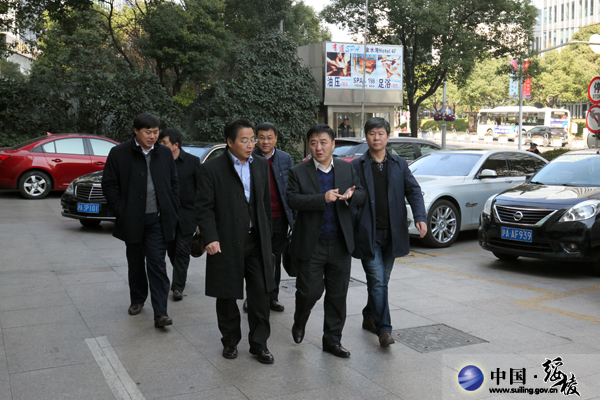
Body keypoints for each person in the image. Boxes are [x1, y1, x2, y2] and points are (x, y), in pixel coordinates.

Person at [196, 118, 275, 364]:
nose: (251, 145)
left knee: (261, 294)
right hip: (226, 241)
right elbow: (204, 207)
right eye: (245, 140)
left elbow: (264, 204)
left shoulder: (260, 164)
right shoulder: (212, 168)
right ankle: (230, 341)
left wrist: (267, 236)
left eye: (252, 140)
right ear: (229, 142)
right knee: (227, 294)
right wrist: (210, 237)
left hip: (255, 240)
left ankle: (259, 344)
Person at [287, 124, 367, 358]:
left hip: (340, 242)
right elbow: (292, 199)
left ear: (333, 144)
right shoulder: (298, 171)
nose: (318, 147)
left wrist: (351, 196)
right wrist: (321, 198)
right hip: (311, 243)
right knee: (309, 291)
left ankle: (332, 340)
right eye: (313, 143)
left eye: (323, 142)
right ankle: (300, 320)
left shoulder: (346, 168)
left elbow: (361, 193)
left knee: (337, 295)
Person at [351, 117, 427, 347]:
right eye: (372, 133)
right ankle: (384, 330)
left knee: (381, 281)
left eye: (381, 133)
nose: (376, 138)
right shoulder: (356, 166)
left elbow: (414, 191)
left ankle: (369, 315)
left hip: (393, 233)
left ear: (387, 136)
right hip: (368, 233)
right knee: (377, 282)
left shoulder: (399, 163)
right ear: (366, 136)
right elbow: (350, 197)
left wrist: (420, 217)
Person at [102, 113, 179, 328]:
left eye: (156, 132)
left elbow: (174, 182)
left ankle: (161, 312)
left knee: (157, 263)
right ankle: (137, 299)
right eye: (148, 132)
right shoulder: (119, 153)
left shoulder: (164, 153)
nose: (152, 136)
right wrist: (121, 210)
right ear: (136, 131)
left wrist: (173, 206)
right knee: (135, 263)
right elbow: (109, 183)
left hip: (157, 220)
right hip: (132, 219)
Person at [242, 122, 294, 313]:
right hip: (257, 219)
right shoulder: (249, 157)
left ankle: (273, 297)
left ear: (276, 139)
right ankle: (252, 298)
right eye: (261, 137)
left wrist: (294, 217)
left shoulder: (285, 158)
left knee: (274, 258)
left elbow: (291, 189)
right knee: (254, 259)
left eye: (269, 137)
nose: (265, 141)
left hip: (279, 218)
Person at [159, 128, 201, 301]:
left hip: (187, 215)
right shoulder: (160, 161)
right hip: (167, 215)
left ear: (175, 145)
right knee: (171, 251)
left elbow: (200, 189)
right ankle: (180, 274)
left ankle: (178, 287)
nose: (161, 146)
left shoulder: (192, 162)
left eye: (164, 143)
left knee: (182, 250)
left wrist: (200, 215)